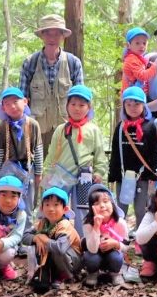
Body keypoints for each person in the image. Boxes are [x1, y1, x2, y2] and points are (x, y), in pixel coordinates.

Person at [41, 85, 107, 236]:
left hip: (84, 176)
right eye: (73, 104)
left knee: (82, 209)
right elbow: (51, 154)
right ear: (67, 106)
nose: (77, 108)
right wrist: (47, 172)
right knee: (56, 206)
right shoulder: (61, 129)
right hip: (61, 177)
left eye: (82, 105)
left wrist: (99, 172)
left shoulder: (93, 130)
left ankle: (81, 241)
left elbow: (99, 154)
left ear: (89, 107)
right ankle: (54, 237)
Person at [19, 14, 84, 158]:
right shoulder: (30, 63)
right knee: (38, 171)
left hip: (67, 128)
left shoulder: (73, 63)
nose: (52, 37)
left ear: (63, 36)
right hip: (37, 130)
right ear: (42, 35)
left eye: (57, 33)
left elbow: (82, 100)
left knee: (66, 171)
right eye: (48, 33)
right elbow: (22, 100)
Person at [108, 86, 157, 231]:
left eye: (137, 104)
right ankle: (119, 234)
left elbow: (153, 153)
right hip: (123, 175)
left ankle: (140, 235)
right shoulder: (120, 127)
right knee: (120, 207)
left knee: (141, 208)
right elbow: (116, 153)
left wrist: (152, 175)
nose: (133, 108)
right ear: (123, 106)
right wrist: (113, 175)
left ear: (144, 105)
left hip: (142, 176)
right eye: (128, 104)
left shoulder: (150, 127)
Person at [0, 86, 43, 226]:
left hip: (28, 169)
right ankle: (5, 229)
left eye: (16, 101)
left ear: (25, 101)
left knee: (27, 203)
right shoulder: (2, 127)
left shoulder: (33, 124)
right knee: (7, 201)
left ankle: (26, 233)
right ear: (3, 108)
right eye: (7, 104)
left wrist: (38, 173)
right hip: (8, 170)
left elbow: (38, 149)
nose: (12, 106)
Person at [21, 187, 82, 293]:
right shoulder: (43, 223)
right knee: (37, 243)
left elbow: (61, 248)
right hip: (55, 260)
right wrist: (36, 238)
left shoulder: (65, 225)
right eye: (47, 205)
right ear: (42, 208)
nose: (51, 209)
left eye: (56, 205)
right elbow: (25, 237)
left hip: (72, 262)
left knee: (56, 249)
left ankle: (64, 275)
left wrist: (44, 239)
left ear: (65, 209)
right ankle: (51, 274)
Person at [81, 184, 128, 287]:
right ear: (91, 207)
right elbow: (92, 249)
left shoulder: (120, 223)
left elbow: (128, 249)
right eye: (97, 203)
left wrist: (116, 244)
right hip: (95, 255)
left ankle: (115, 273)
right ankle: (92, 273)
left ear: (112, 204)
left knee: (116, 257)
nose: (102, 206)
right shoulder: (88, 224)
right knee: (91, 257)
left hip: (113, 257)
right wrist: (96, 227)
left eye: (106, 201)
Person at [121, 27, 157, 94]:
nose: (141, 46)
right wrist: (153, 68)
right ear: (128, 45)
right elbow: (142, 76)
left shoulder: (137, 57)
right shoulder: (132, 59)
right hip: (132, 96)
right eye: (137, 43)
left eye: (144, 43)